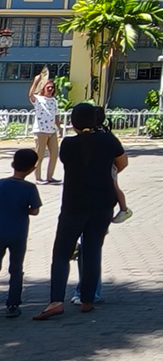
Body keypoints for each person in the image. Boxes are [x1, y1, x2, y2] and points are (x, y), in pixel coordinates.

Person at [33, 102, 127, 320]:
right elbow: (122, 163)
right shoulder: (109, 140)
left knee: (61, 254)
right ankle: (87, 300)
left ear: (73, 123)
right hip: (103, 203)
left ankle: (56, 301)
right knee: (92, 251)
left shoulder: (68, 144)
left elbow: (68, 161)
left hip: (73, 204)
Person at [0, 149, 42, 318]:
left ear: (13, 164)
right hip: (18, 233)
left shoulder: (1, 184)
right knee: (16, 269)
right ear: (32, 168)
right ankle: (13, 304)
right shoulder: (30, 188)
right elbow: (35, 210)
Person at [28, 72, 61, 185]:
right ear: (43, 88)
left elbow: (56, 116)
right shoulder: (38, 99)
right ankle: (38, 178)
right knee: (39, 156)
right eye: (48, 87)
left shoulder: (54, 101)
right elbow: (31, 95)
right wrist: (36, 81)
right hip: (40, 131)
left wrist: (59, 128)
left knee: (54, 154)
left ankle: (50, 176)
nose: (50, 89)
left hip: (52, 131)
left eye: (52, 87)